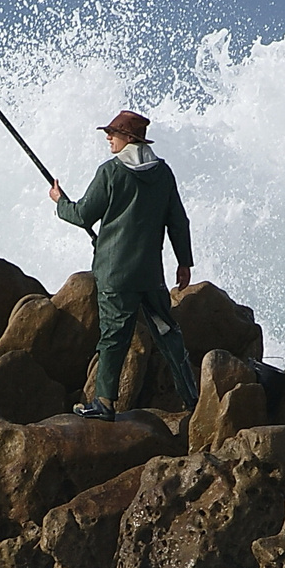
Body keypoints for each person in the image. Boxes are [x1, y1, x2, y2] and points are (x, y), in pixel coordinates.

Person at [48, 110, 199, 421]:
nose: (108, 138)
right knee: (167, 332)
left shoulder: (111, 172)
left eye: (113, 134)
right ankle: (192, 397)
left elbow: (82, 216)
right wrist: (184, 261)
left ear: (128, 139)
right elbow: (178, 221)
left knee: (114, 335)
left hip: (115, 275)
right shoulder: (163, 172)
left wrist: (59, 201)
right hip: (149, 275)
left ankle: (104, 403)